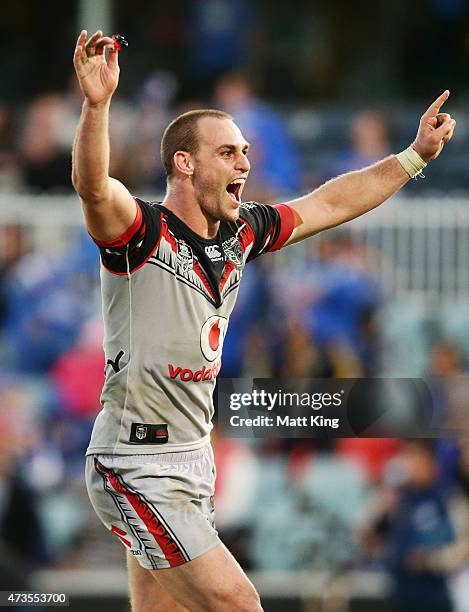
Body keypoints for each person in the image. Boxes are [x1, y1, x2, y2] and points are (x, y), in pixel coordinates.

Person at [72, 29, 456, 612]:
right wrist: (97, 106)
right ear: (184, 162)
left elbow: (328, 203)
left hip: (191, 461)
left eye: (246, 152)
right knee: (240, 604)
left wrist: (411, 158)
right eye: (227, 153)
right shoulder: (142, 234)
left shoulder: (240, 233)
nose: (245, 164)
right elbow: (93, 189)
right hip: (139, 462)